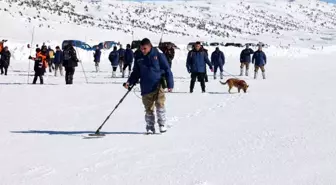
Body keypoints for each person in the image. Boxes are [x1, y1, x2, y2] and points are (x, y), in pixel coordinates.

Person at [124, 38, 174, 134]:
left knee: (160, 104)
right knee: (148, 109)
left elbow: (167, 69)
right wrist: (129, 82)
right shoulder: (138, 56)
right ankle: (150, 126)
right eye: (141, 48)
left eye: (145, 49)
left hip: (158, 84)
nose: (143, 51)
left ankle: (162, 124)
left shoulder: (158, 54)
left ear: (150, 46)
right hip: (145, 86)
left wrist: (170, 84)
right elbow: (136, 72)